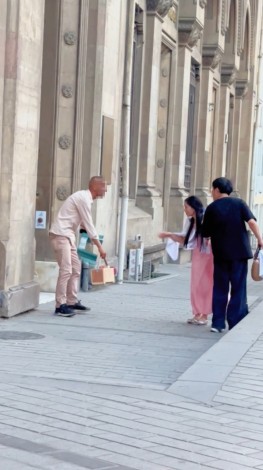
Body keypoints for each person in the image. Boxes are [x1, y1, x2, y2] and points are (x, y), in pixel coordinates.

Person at [202, 177, 263, 332]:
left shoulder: (212, 208)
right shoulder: (239, 203)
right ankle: (235, 320)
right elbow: (252, 222)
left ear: (216, 190)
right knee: (238, 287)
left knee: (220, 288)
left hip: (221, 254)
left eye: (212, 189)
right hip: (239, 254)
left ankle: (218, 323)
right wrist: (260, 240)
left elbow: (205, 233)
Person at [49, 176, 107, 317]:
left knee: (76, 269)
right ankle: (59, 305)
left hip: (68, 236)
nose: (105, 189)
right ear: (95, 186)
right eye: (104, 186)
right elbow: (89, 224)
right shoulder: (83, 199)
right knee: (66, 270)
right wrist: (100, 247)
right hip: (60, 235)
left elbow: (83, 225)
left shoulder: (85, 199)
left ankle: (71, 301)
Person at [159, 196, 213, 325]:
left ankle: (204, 314)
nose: (185, 210)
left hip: (209, 255)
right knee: (196, 284)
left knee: (207, 284)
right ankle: (197, 312)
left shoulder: (205, 219)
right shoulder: (190, 221)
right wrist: (170, 235)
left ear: (194, 207)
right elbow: (185, 239)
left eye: (186, 207)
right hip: (198, 254)